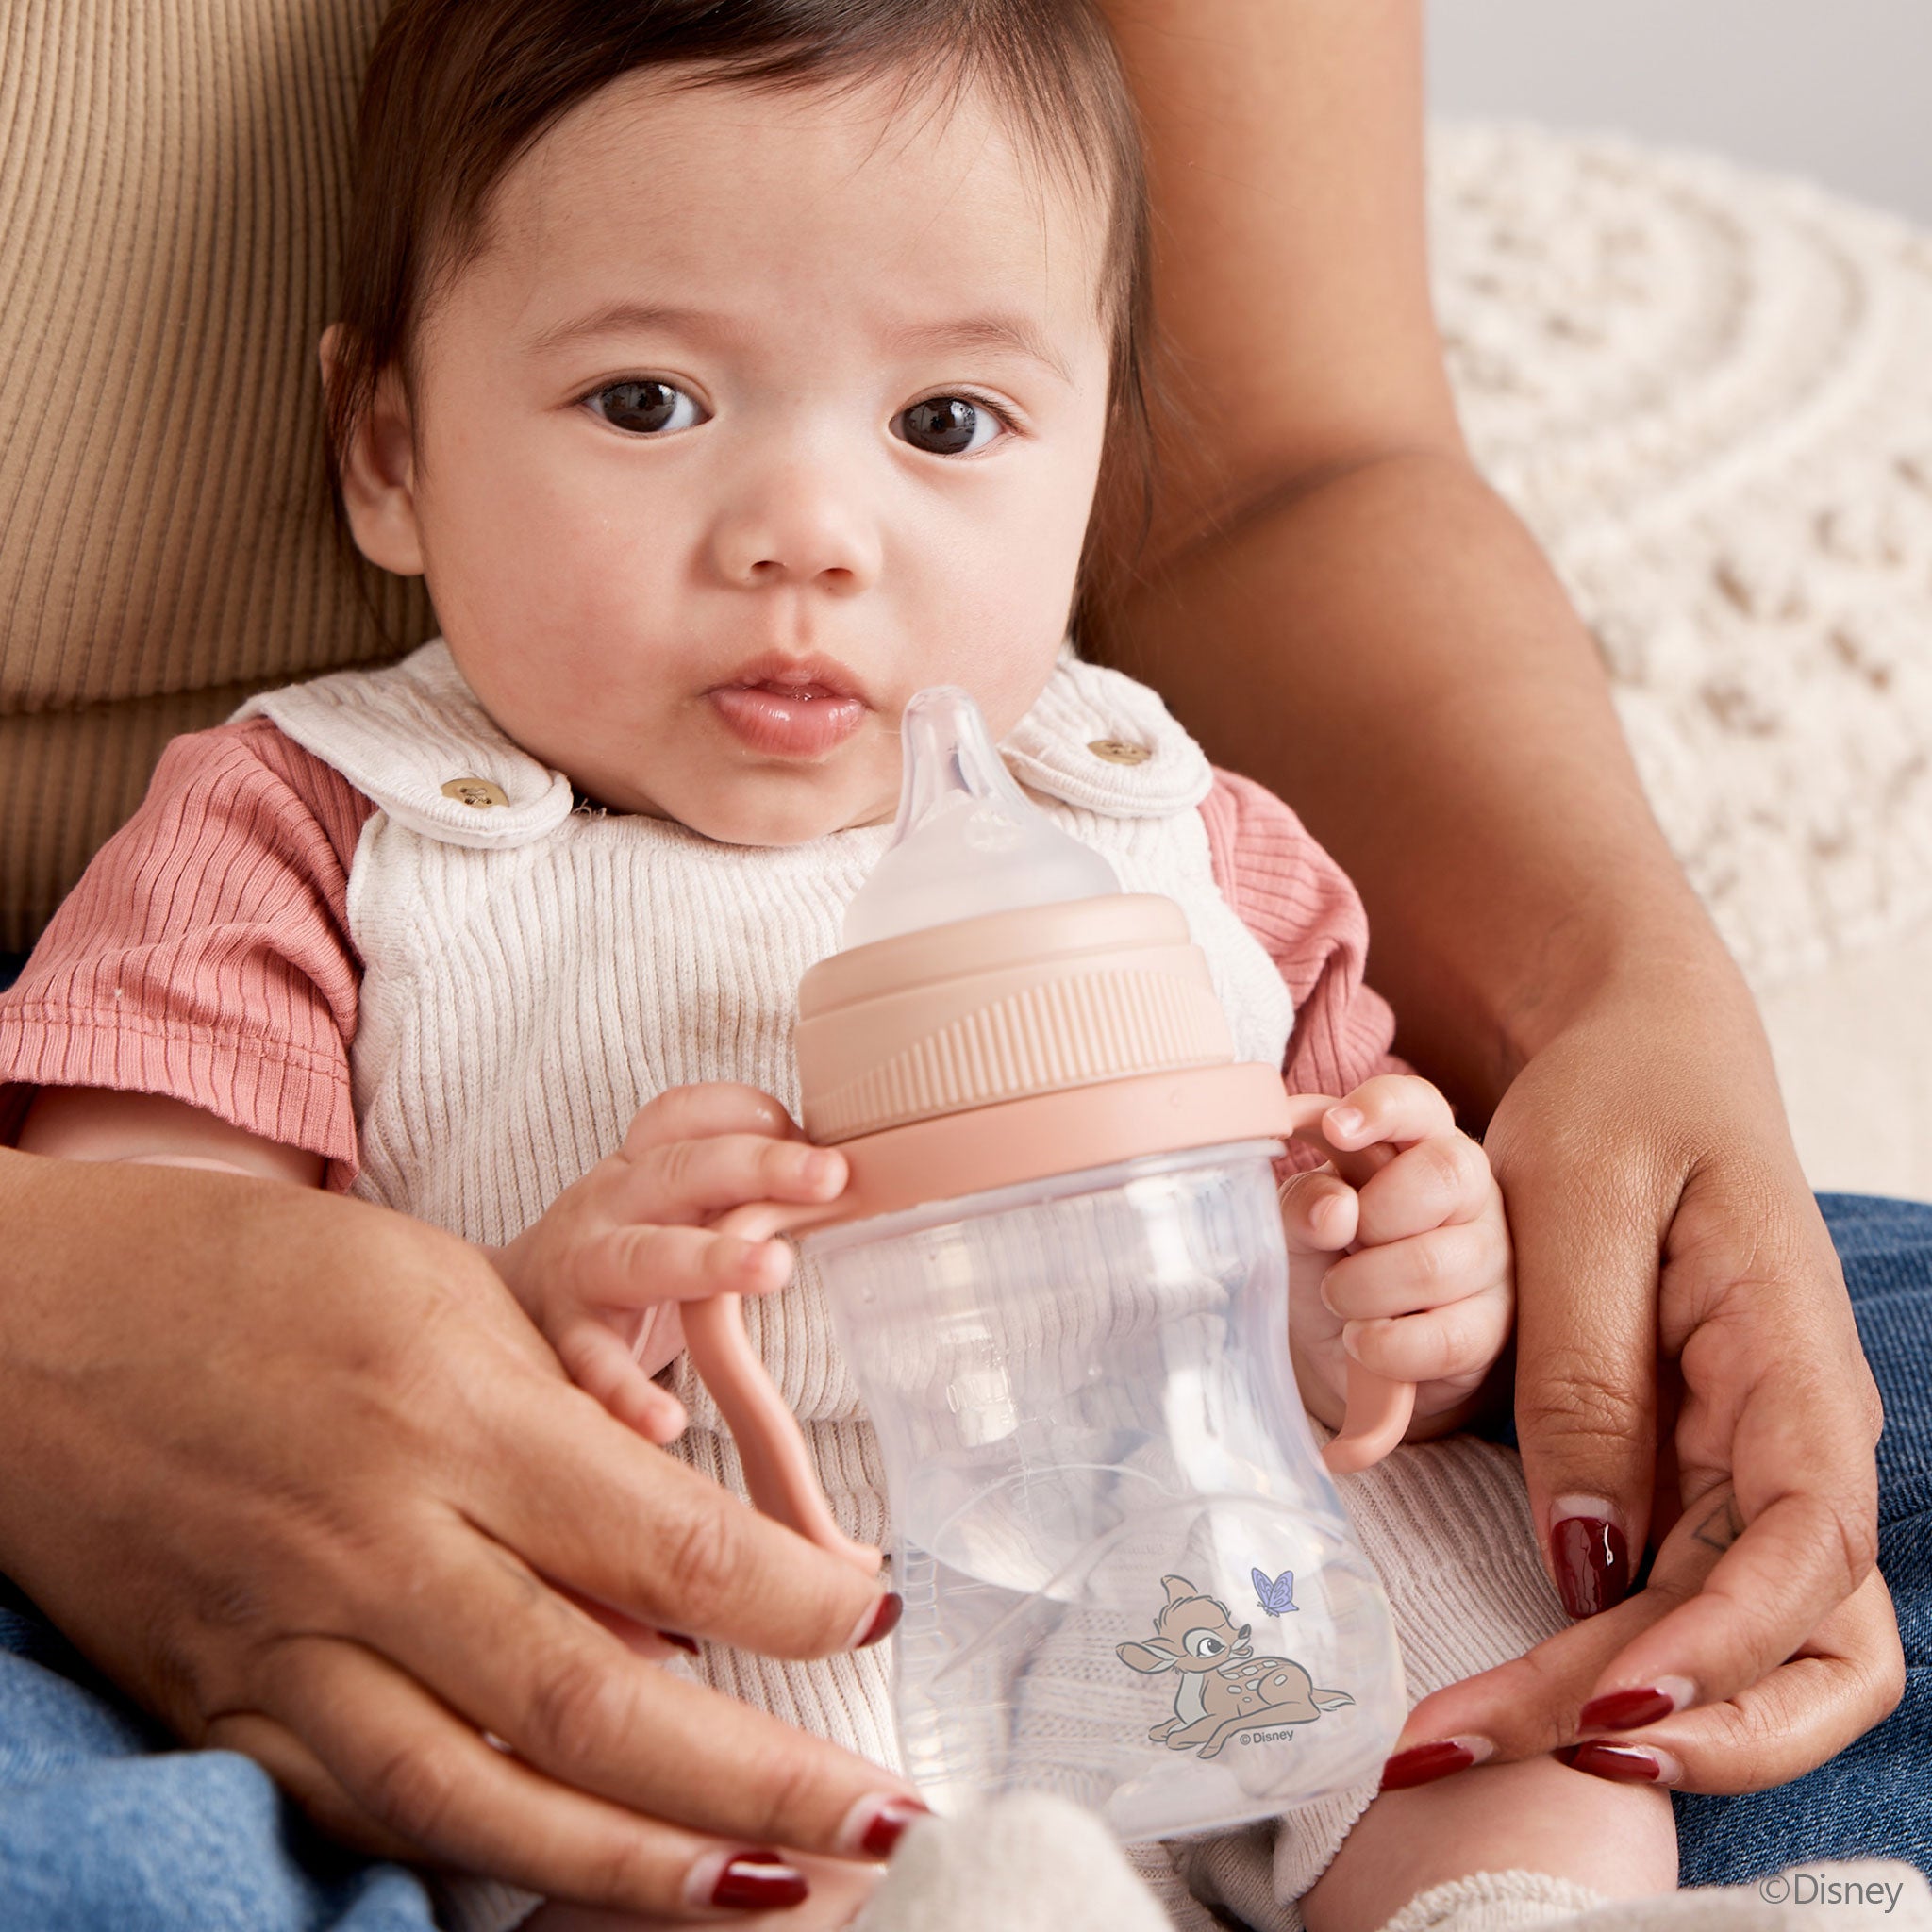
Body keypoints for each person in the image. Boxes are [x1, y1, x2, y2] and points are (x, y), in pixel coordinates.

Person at [0, 1, 1917, 1928]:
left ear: (1094, 454)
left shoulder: (1175, 822)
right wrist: (523, 1316)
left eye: (943, 425)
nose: (808, 536)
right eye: (649, 401)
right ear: (390, 447)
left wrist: (1407, 1273)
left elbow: (1351, 1242)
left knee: (1540, 1723)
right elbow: (180, 1320)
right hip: (733, 1661)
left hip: (1228, 1596)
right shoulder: (311, 829)